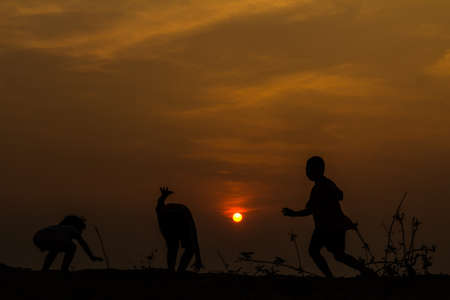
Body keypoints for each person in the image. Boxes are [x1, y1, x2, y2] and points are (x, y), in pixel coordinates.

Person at [282, 156, 375, 278]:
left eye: (309, 169)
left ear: (318, 170)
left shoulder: (322, 186)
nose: (307, 172)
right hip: (328, 226)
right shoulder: (322, 185)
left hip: (330, 227)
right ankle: (365, 272)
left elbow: (311, 209)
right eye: (307, 169)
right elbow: (339, 195)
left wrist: (294, 214)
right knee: (336, 255)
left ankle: (334, 277)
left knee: (322, 252)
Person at [156, 187, 203, 272]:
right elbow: (193, 238)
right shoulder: (168, 214)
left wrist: (198, 258)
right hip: (171, 219)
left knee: (175, 247)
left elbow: (193, 238)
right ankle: (176, 271)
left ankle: (177, 270)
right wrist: (198, 258)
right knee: (174, 247)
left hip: (177, 219)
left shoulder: (183, 215)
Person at [33, 215, 103, 271]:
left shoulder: (59, 228)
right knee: (72, 247)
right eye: (81, 229)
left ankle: (45, 269)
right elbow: (83, 243)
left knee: (54, 250)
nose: (81, 232)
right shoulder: (72, 229)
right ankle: (64, 269)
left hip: (38, 236)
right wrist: (92, 257)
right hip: (49, 238)